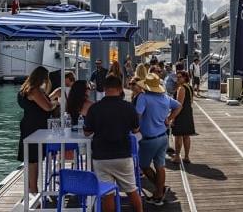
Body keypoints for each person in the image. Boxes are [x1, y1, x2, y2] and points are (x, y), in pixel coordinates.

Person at [84, 75, 143, 212]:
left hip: (101, 156)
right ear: (120, 89)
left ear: (104, 89)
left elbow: (87, 132)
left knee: (107, 195)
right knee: (132, 190)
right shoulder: (128, 107)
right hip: (123, 154)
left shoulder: (95, 108)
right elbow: (136, 129)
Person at [136, 73, 182, 206]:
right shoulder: (165, 97)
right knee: (160, 166)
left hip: (149, 138)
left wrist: (135, 129)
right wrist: (169, 118)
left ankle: (160, 190)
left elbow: (137, 116)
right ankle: (159, 192)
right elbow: (179, 105)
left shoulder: (143, 98)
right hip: (163, 137)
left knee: (144, 165)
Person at [17, 66, 58, 193]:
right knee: (33, 160)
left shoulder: (26, 90)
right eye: (46, 78)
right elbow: (47, 107)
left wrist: (51, 96)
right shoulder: (35, 91)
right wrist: (56, 102)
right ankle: (33, 190)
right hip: (34, 128)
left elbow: (39, 104)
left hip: (30, 125)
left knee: (31, 159)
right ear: (42, 77)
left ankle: (31, 189)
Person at [170, 71, 196, 164]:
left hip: (180, 114)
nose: (177, 79)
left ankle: (177, 157)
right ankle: (186, 156)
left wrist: (173, 118)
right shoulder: (189, 87)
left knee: (178, 136)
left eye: (180, 77)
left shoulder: (181, 88)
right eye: (177, 77)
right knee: (186, 136)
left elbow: (178, 104)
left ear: (185, 78)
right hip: (188, 113)